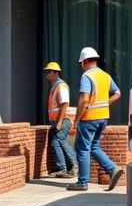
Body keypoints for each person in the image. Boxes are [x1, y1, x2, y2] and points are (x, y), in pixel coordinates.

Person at [69, 47, 124, 191]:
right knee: (93, 146)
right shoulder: (105, 76)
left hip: (89, 118)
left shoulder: (87, 76)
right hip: (103, 117)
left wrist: (76, 121)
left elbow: (84, 99)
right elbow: (117, 93)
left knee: (82, 149)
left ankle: (82, 182)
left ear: (84, 61)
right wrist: (107, 103)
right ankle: (112, 169)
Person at [44, 62, 75, 179]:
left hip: (63, 119)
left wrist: (59, 122)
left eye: (49, 72)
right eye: (46, 72)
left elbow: (64, 104)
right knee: (57, 142)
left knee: (60, 140)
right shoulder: (55, 86)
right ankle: (63, 167)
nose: (47, 74)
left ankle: (73, 164)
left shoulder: (61, 86)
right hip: (58, 120)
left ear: (55, 73)